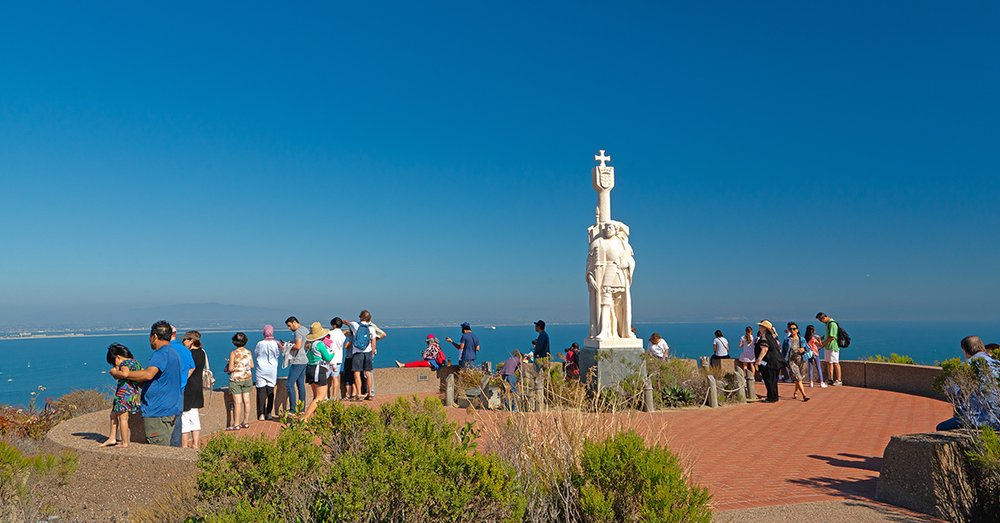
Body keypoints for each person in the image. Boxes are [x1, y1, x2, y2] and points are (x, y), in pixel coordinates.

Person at [110, 321, 182, 446]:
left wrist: (122, 375)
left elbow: (148, 374)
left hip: (158, 413)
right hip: (171, 410)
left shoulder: (160, 354)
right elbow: (159, 380)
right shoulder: (173, 353)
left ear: (154, 336)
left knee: (159, 453)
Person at [937, 336, 1000, 431]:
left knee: (941, 428)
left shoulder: (966, 367)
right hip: (997, 417)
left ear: (965, 351)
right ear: (982, 347)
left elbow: (952, 391)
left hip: (977, 419)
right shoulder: (997, 363)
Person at [101, 343, 141, 448]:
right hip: (131, 393)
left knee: (123, 417)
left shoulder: (125, 363)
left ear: (118, 357)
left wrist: (114, 372)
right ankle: (112, 438)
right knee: (113, 414)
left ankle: (124, 442)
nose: (115, 365)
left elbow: (124, 374)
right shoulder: (135, 362)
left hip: (124, 394)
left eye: (114, 362)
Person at [168, 325, 196, 447]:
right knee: (178, 419)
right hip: (181, 388)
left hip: (167, 390)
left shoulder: (164, 349)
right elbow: (192, 367)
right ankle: (177, 446)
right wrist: (183, 380)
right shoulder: (184, 349)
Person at [302, 322, 336, 420]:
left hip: (310, 369)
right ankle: (305, 418)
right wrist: (332, 353)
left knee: (316, 396)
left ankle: (315, 418)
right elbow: (328, 357)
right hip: (318, 370)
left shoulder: (309, 345)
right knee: (321, 396)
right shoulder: (320, 344)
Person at [181, 331, 206, 448]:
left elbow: (187, 370)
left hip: (188, 387)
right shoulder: (202, 353)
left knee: (185, 416)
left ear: (191, 341)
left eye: (185, 339)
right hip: (197, 386)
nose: (183, 342)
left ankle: (184, 444)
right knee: (194, 415)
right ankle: (196, 444)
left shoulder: (189, 354)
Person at [226, 332, 254, 430]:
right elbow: (251, 365)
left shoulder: (233, 353)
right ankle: (245, 421)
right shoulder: (249, 352)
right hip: (247, 378)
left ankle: (236, 424)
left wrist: (230, 364)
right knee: (246, 401)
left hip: (236, 379)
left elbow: (230, 369)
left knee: (237, 402)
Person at [348, 310, 378, 401]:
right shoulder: (371, 328)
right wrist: (372, 353)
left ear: (360, 317)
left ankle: (359, 394)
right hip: (368, 353)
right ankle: (370, 394)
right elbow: (373, 343)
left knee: (356, 373)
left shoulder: (355, 325)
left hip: (357, 353)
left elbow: (346, 322)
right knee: (368, 373)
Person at [254, 325, 281, 420]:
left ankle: (261, 413)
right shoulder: (275, 343)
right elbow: (277, 355)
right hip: (272, 370)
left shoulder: (259, 343)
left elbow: (256, 353)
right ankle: (269, 412)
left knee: (261, 391)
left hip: (261, 369)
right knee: (270, 391)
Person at [753, 320, 783, 403]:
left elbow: (764, 349)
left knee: (768, 379)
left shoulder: (764, 337)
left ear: (764, 328)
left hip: (768, 362)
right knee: (773, 380)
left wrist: (758, 360)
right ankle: (774, 396)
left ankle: (771, 397)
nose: (759, 328)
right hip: (775, 362)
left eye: (761, 326)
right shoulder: (771, 337)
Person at [284, 316, 310, 413]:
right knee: (300, 384)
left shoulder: (298, 332)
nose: (289, 328)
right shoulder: (305, 330)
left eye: (289, 326)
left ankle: (292, 409)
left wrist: (288, 346)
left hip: (298, 360)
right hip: (304, 359)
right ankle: (302, 408)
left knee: (289, 384)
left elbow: (298, 346)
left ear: (294, 322)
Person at [781, 323, 811, 402]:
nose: (792, 330)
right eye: (790, 329)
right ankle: (804, 395)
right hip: (791, 361)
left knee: (799, 379)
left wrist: (803, 349)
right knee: (798, 378)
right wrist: (783, 360)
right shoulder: (786, 340)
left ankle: (795, 392)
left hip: (802, 360)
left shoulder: (802, 339)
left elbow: (808, 348)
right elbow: (783, 351)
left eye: (794, 329)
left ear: (797, 330)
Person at [816, 312, 842, 386]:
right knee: (829, 363)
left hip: (833, 346)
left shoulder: (832, 324)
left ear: (824, 317)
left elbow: (832, 337)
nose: (821, 322)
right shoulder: (827, 324)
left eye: (821, 320)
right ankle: (830, 379)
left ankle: (839, 380)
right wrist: (821, 339)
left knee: (835, 363)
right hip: (828, 347)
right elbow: (828, 335)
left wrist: (823, 344)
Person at [325, 318, 347, 400]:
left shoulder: (329, 333)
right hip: (338, 359)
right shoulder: (342, 335)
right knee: (335, 377)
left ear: (334, 325)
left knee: (325, 378)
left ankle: (325, 396)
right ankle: (334, 396)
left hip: (329, 358)